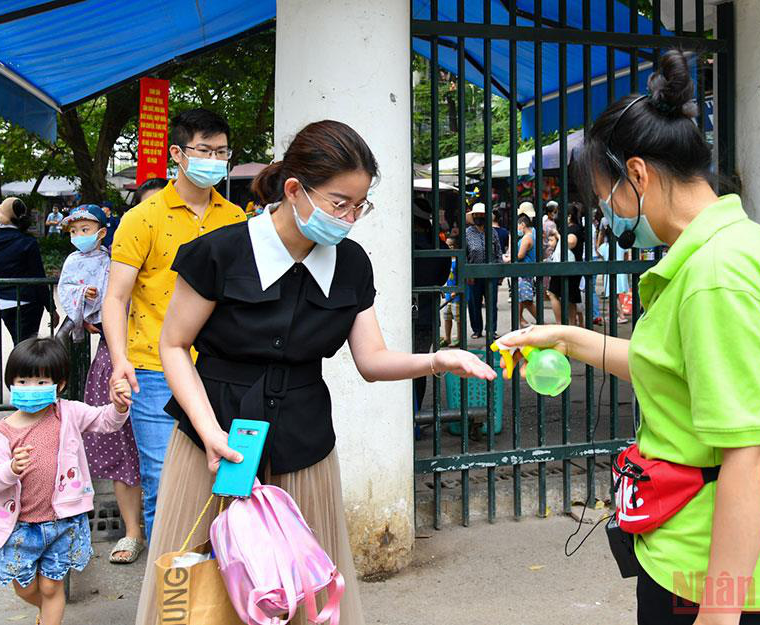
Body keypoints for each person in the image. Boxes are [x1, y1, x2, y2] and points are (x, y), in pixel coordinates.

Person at [135, 120, 496, 625]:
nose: (348, 218)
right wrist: (208, 431)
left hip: (303, 446)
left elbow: (371, 361)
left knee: (301, 593)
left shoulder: (350, 263)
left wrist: (438, 360)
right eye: (337, 203)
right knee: (200, 597)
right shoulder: (219, 252)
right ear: (293, 190)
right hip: (212, 445)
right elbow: (172, 345)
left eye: (358, 206)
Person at [499, 50, 760, 625]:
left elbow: (748, 454)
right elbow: (669, 366)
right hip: (694, 545)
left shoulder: (715, 277)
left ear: (638, 174)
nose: (609, 216)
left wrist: (719, 614)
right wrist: (567, 336)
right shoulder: (732, 243)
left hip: (710, 565)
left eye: (607, 198)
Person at [103, 109, 244, 542]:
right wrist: (119, 361)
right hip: (154, 368)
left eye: (222, 152)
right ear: (178, 154)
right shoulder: (142, 218)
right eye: (205, 151)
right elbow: (117, 297)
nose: (215, 161)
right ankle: (168, 590)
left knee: (227, 477)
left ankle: (219, 580)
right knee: (165, 481)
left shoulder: (236, 218)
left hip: (221, 368)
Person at [0, 337, 132, 625]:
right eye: (22, 382)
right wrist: (10, 469)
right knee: (24, 587)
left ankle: (50, 617)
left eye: (39, 382)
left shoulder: (69, 413)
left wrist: (119, 406)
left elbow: (105, 421)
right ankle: (44, 611)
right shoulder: (4, 432)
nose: (30, 389)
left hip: (64, 522)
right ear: (11, 383)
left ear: (59, 384)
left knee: (52, 586)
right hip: (19, 528)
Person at [57, 204, 144, 565]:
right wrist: (89, 312)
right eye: (74, 228)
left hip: (164, 356)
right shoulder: (79, 263)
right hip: (115, 354)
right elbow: (74, 299)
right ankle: (133, 530)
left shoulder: (116, 260)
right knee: (119, 441)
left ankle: (164, 526)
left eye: (85, 226)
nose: (80, 233)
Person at [0, 198, 55, 344]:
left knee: (19, 344)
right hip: (29, 302)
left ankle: (18, 366)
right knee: (27, 345)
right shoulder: (28, 242)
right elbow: (39, 279)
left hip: (2, 301)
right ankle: (24, 367)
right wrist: (51, 308)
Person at [411, 197, 452, 413]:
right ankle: (415, 417)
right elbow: (442, 279)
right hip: (426, 315)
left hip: (400, 314)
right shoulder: (440, 247)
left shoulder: (405, 245)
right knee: (418, 368)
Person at [464, 202, 503, 339]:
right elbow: (464, 255)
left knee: (492, 303)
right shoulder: (467, 233)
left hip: (491, 273)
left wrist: (500, 272)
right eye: (476, 215)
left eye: (482, 215)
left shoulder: (492, 232)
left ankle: (492, 330)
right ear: (473, 216)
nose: (479, 217)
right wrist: (467, 272)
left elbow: (498, 252)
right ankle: (477, 329)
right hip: (473, 274)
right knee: (474, 303)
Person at [547, 205, 585, 327]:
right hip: (569, 267)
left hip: (568, 268)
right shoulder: (572, 228)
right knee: (569, 297)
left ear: (569, 216)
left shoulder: (573, 229)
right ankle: (570, 324)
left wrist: (558, 235)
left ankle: (561, 323)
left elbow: (571, 243)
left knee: (556, 294)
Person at [512, 213, 537, 327]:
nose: (518, 229)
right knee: (520, 298)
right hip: (526, 270)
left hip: (524, 271)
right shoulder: (532, 235)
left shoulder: (527, 237)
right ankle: (520, 319)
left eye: (518, 226)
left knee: (526, 299)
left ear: (522, 224)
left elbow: (520, 255)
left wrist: (510, 258)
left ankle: (540, 319)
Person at [441, 236, 461, 348]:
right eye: (447, 245)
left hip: (456, 295)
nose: (448, 248)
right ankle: (447, 338)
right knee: (447, 316)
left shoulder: (457, 261)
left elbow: (460, 277)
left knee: (458, 317)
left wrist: (456, 289)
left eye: (451, 245)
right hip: (448, 293)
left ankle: (459, 338)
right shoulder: (447, 260)